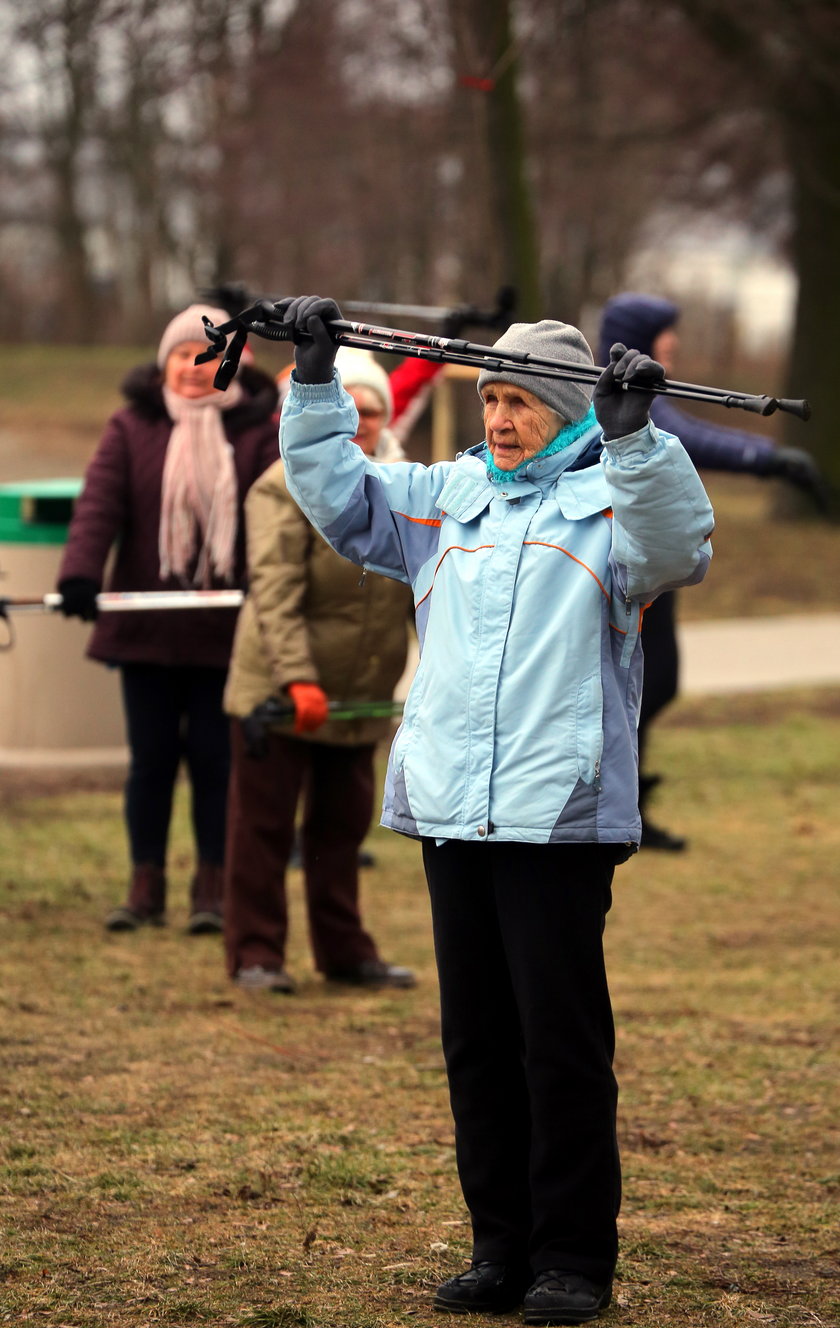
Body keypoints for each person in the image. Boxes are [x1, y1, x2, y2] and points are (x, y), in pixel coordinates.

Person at [273, 294, 714, 1324]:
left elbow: (677, 543)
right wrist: (311, 380)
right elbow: (339, 496)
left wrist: (637, 437)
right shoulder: (448, 496)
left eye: (521, 402)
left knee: (558, 1043)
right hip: (449, 812)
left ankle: (572, 1256)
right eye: (492, 399)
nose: (501, 419)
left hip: (554, 821)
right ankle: (498, 1245)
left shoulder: (613, 501)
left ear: (565, 412)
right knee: (475, 1040)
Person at [56, 303, 279, 933]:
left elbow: (277, 521)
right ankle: (143, 882)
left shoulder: (260, 432)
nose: (192, 367)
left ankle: (212, 885)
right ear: (163, 365)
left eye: (205, 355)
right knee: (150, 761)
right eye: (181, 355)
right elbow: (99, 504)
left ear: (233, 363)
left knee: (216, 761)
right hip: (146, 628)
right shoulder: (130, 427)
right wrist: (79, 575)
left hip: (228, 631)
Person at [597, 292, 826, 850]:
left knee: (659, 680)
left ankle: (629, 803)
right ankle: (618, 805)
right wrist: (768, 459)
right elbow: (685, 438)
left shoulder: (635, 381)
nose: (673, 341)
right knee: (646, 683)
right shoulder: (612, 385)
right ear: (641, 333)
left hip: (653, 548)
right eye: (665, 332)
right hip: (625, 557)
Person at [222, 346, 416, 992]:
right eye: (348, 408)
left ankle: (344, 951)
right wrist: (296, 680)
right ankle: (256, 952)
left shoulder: (409, 488)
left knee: (341, 830)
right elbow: (274, 591)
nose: (360, 419)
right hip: (280, 691)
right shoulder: (280, 486)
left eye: (372, 409)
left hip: (359, 694)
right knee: (265, 829)